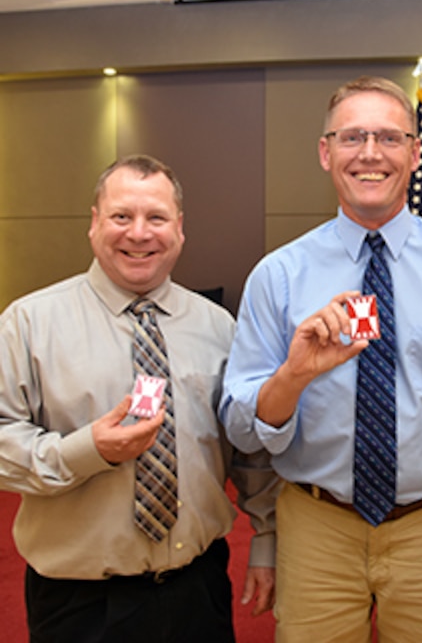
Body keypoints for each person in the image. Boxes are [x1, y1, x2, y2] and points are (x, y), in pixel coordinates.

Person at [220, 75, 422, 642]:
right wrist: (293, 376)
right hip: (316, 526)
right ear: (325, 152)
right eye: (352, 137)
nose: (370, 153)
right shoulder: (279, 276)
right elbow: (243, 428)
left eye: (389, 138)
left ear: (414, 153)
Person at [0, 155, 280, 643]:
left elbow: (249, 448)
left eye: (156, 217)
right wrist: (89, 450)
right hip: (78, 603)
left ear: (180, 228)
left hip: (198, 590)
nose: (139, 233)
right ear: (94, 223)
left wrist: (266, 540)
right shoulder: (28, 324)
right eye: (121, 216)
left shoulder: (219, 328)